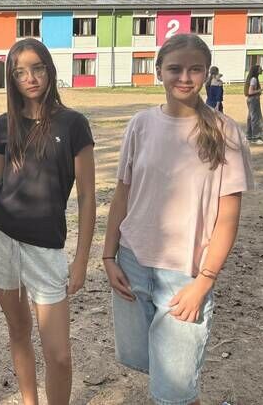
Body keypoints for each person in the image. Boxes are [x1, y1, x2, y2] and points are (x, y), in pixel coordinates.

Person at [103, 34, 254, 405]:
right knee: (156, 369)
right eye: (175, 68)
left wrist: (205, 280)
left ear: (206, 72)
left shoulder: (225, 131)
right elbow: (122, 195)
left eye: (195, 69)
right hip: (133, 263)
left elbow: (228, 216)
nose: (184, 77)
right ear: (159, 72)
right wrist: (108, 257)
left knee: (174, 387)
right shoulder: (140, 124)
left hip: (187, 272)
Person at [0, 38, 96, 405]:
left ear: (50, 70)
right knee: (19, 330)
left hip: (45, 248)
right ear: (11, 79)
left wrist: (81, 260)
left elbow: (87, 196)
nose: (30, 78)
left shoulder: (73, 123)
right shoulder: (5, 124)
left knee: (58, 354)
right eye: (19, 72)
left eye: (37, 68)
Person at [244, 64, 263, 144]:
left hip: (251, 100)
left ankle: (249, 136)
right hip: (253, 100)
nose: (262, 70)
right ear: (256, 71)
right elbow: (250, 92)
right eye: (260, 69)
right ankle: (256, 137)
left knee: (251, 118)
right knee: (256, 118)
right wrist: (261, 90)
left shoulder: (253, 79)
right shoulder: (254, 79)